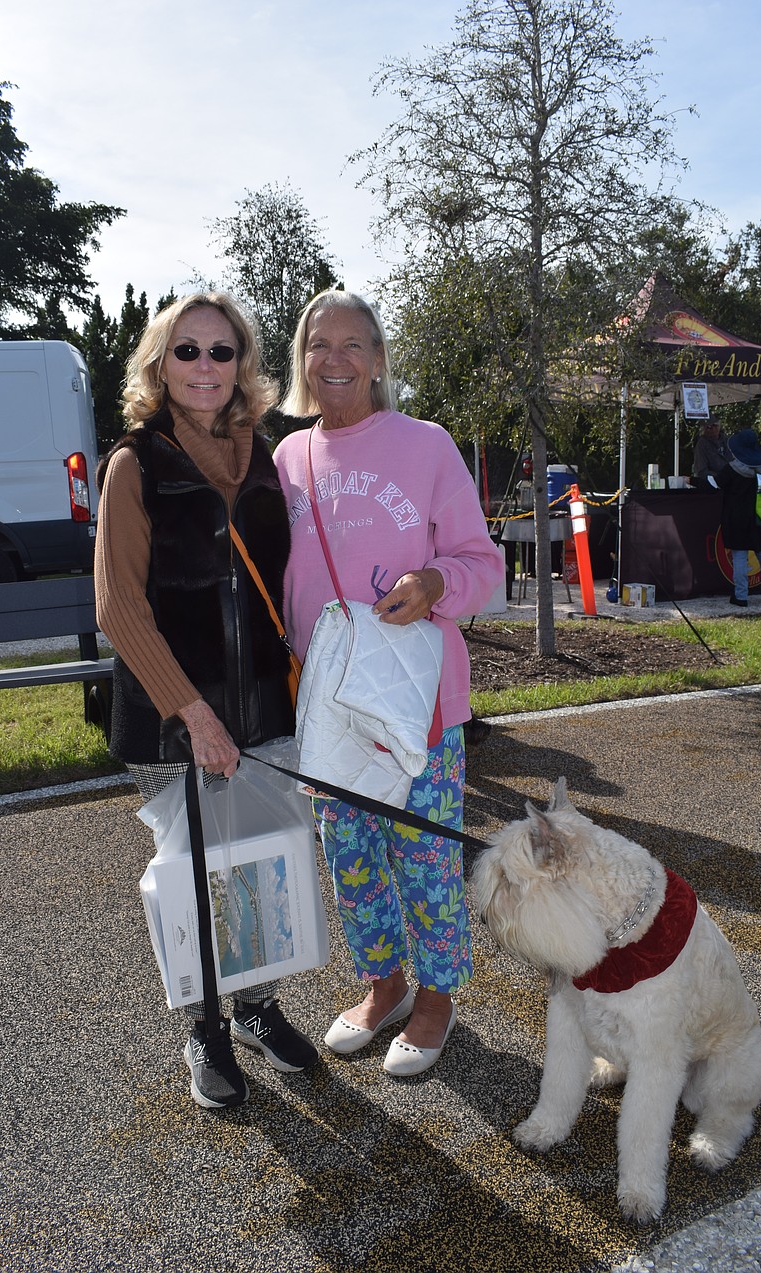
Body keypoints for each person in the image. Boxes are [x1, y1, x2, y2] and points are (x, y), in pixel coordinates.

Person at [95, 292, 317, 1110]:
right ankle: (203, 1027)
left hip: (261, 705)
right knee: (189, 878)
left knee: (257, 869)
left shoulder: (267, 455)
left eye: (221, 352)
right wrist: (192, 711)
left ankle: (256, 1007)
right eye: (186, 351)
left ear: (243, 366)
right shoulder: (135, 464)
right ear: (160, 363)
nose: (204, 367)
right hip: (172, 715)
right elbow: (118, 605)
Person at [273, 290, 504, 1077]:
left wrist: (436, 583)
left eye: (352, 344)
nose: (334, 359)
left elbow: (484, 564)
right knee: (353, 856)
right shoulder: (288, 459)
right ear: (301, 360)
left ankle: (437, 997)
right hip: (329, 709)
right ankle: (386, 986)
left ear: (377, 358)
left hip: (419, 705)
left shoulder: (427, 445)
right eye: (318, 344)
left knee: (426, 857)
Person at [716, 427, 761, 608]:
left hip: (737, 519)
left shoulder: (731, 469)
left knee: (739, 557)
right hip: (760, 516)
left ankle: (741, 596)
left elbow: (716, 484)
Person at [692, 414, 731, 484]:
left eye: (715, 425)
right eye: (709, 427)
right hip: (711, 484)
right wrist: (720, 477)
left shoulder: (726, 440)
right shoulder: (702, 444)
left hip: (730, 481)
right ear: (704, 429)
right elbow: (701, 471)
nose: (713, 429)